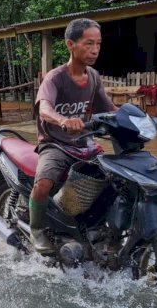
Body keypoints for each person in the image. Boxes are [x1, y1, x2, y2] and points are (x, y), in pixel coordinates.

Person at [29, 18, 117, 254]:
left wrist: (135, 117)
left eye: (98, 44)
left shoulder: (94, 77)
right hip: (56, 144)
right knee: (44, 182)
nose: (95, 49)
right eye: (89, 44)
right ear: (71, 45)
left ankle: (98, 229)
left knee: (118, 180)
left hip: (85, 145)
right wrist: (63, 120)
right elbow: (44, 108)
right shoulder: (55, 78)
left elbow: (108, 109)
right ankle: (36, 229)